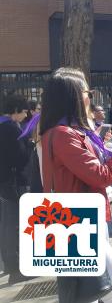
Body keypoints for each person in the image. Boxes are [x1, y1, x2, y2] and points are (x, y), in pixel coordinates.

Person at [40, 67, 112, 303]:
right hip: (77, 223)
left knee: (91, 297)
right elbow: (101, 175)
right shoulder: (64, 133)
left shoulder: (69, 131)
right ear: (72, 96)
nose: (89, 97)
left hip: (78, 221)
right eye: (86, 92)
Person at [0, 93, 32, 284]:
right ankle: (16, 268)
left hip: (3, 182)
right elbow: (20, 158)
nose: (27, 113)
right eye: (25, 110)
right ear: (16, 110)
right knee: (13, 225)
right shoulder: (11, 129)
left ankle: (10, 264)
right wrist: (29, 144)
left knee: (6, 225)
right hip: (12, 182)